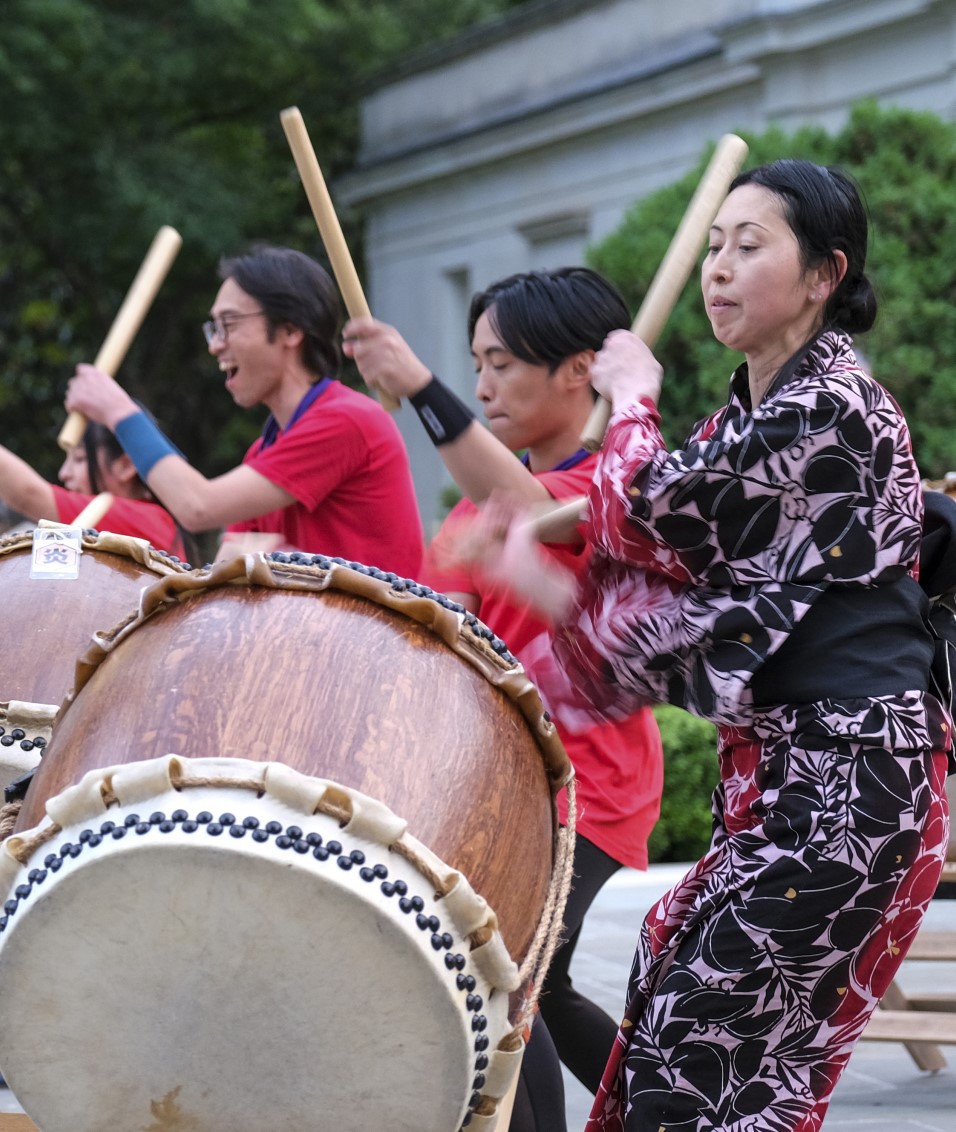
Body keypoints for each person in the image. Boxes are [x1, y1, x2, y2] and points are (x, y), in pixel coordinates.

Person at [460, 160, 952, 1131]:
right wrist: (542, 581)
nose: (717, 268)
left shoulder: (832, 406)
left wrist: (633, 393)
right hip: (799, 775)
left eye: (750, 245)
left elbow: (648, 508)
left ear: (823, 275)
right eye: (714, 246)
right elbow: (676, 603)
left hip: (851, 780)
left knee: (700, 1056)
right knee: (697, 1038)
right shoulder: (751, 417)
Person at [344, 268, 665, 1118]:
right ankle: (676, 1112)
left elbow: (530, 508)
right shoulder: (470, 511)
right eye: (472, 364)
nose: (482, 384)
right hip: (504, 786)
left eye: (503, 362)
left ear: (579, 370)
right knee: (532, 988)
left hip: (587, 784)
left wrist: (418, 385)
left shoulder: (618, 490)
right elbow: (444, 651)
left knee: (501, 986)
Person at [63, 245, 425, 579]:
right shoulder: (264, 451)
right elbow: (223, 569)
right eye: (214, 329)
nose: (216, 345)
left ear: (290, 330)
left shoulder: (348, 420)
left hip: (370, 644)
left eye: (229, 325)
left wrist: (118, 411)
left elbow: (198, 506)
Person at [0, 384, 191, 560]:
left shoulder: (149, 520)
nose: (64, 473)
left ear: (126, 465)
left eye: (78, 459)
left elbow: (27, 493)